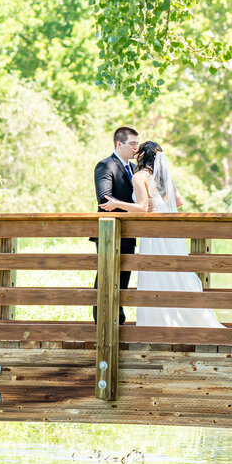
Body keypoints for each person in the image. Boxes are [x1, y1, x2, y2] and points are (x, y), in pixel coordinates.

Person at [100, 139, 221, 331]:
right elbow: (179, 201)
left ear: (141, 156)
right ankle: (181, 318)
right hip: (170, 233)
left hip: (152, 234)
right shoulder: (163, 176)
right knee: (174, 271)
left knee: (154, 272)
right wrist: (158, 204)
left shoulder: (140, 176)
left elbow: (140, 208)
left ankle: (155, 323)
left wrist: (117, 204)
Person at [92, 127, 138, 324]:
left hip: (129, 232)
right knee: (106, 277)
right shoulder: (105, 165)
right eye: (132, 144)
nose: (136, 148)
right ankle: (101, 322)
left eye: (137, 143)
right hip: (109, 232)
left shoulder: (135, 169)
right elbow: (105, 198)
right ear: (119, 144)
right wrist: (134, 208)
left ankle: (118, 320)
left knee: (124, 278)